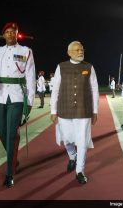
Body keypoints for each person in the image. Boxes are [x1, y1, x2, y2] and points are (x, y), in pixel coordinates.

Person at [50, 41, 99, 184]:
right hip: (64, 109)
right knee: (66, 138)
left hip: (84, 110)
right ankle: (72, 155)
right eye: (77, 50)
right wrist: (53, 110)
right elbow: (55, 89)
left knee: (82, 139)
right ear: (69, 52)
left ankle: (80, 171)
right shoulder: (61, 67)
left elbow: (94, 89)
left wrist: (95, 111)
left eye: (82, 49)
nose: (80, 52)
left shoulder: (89, 67)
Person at [0, 22, 36, 188]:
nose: (10, 34)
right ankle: (14, 159)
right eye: (7, 32)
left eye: (13, 32)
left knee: (11, 134)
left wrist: (30, 102)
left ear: (17, 34)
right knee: (2, 132)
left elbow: (30, 76)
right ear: (4, 35)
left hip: (17, 96)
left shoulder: (25, 51)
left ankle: (9, 173)